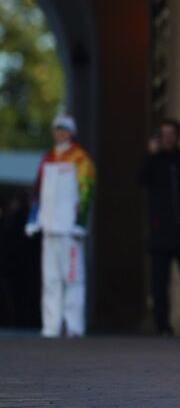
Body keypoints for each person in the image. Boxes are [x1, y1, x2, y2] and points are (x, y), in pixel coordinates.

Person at [24, 114, 95, 337]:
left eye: (64, 129)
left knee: (73, 278)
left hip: (69, 230)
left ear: (71, 132)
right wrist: (33, 218)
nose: (60, 133)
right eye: (57, 129)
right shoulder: (48, 159)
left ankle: (74, 326)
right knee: (51, 280)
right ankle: (51, 326)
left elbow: (86, 192)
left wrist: (80, 222)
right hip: (49, 228)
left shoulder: (80, 158)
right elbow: (37, 191)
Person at [138, 118, 180, 335]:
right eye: (164, 134)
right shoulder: (153, 162)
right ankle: (162, 326)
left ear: (178, 136)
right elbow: (140, 178)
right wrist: (151, 154)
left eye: (172, 134)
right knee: (159, 284)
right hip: (160, 232)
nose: (168, 138)